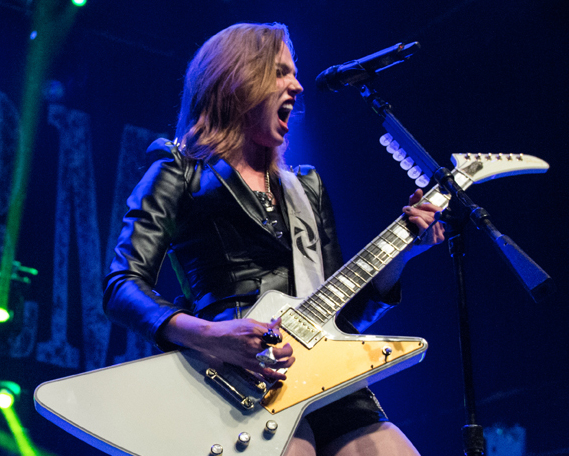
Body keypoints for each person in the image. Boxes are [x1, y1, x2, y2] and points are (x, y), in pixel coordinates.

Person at [103, 23, 444, 456]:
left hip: (328, 377)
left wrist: (404, 253)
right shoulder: (179, 168)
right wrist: (210, 335)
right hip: (242, 374)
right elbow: (122, 285)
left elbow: (345, 316)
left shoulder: (307, 187)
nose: (298, 86)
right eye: (282, 72)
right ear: (239, 79)